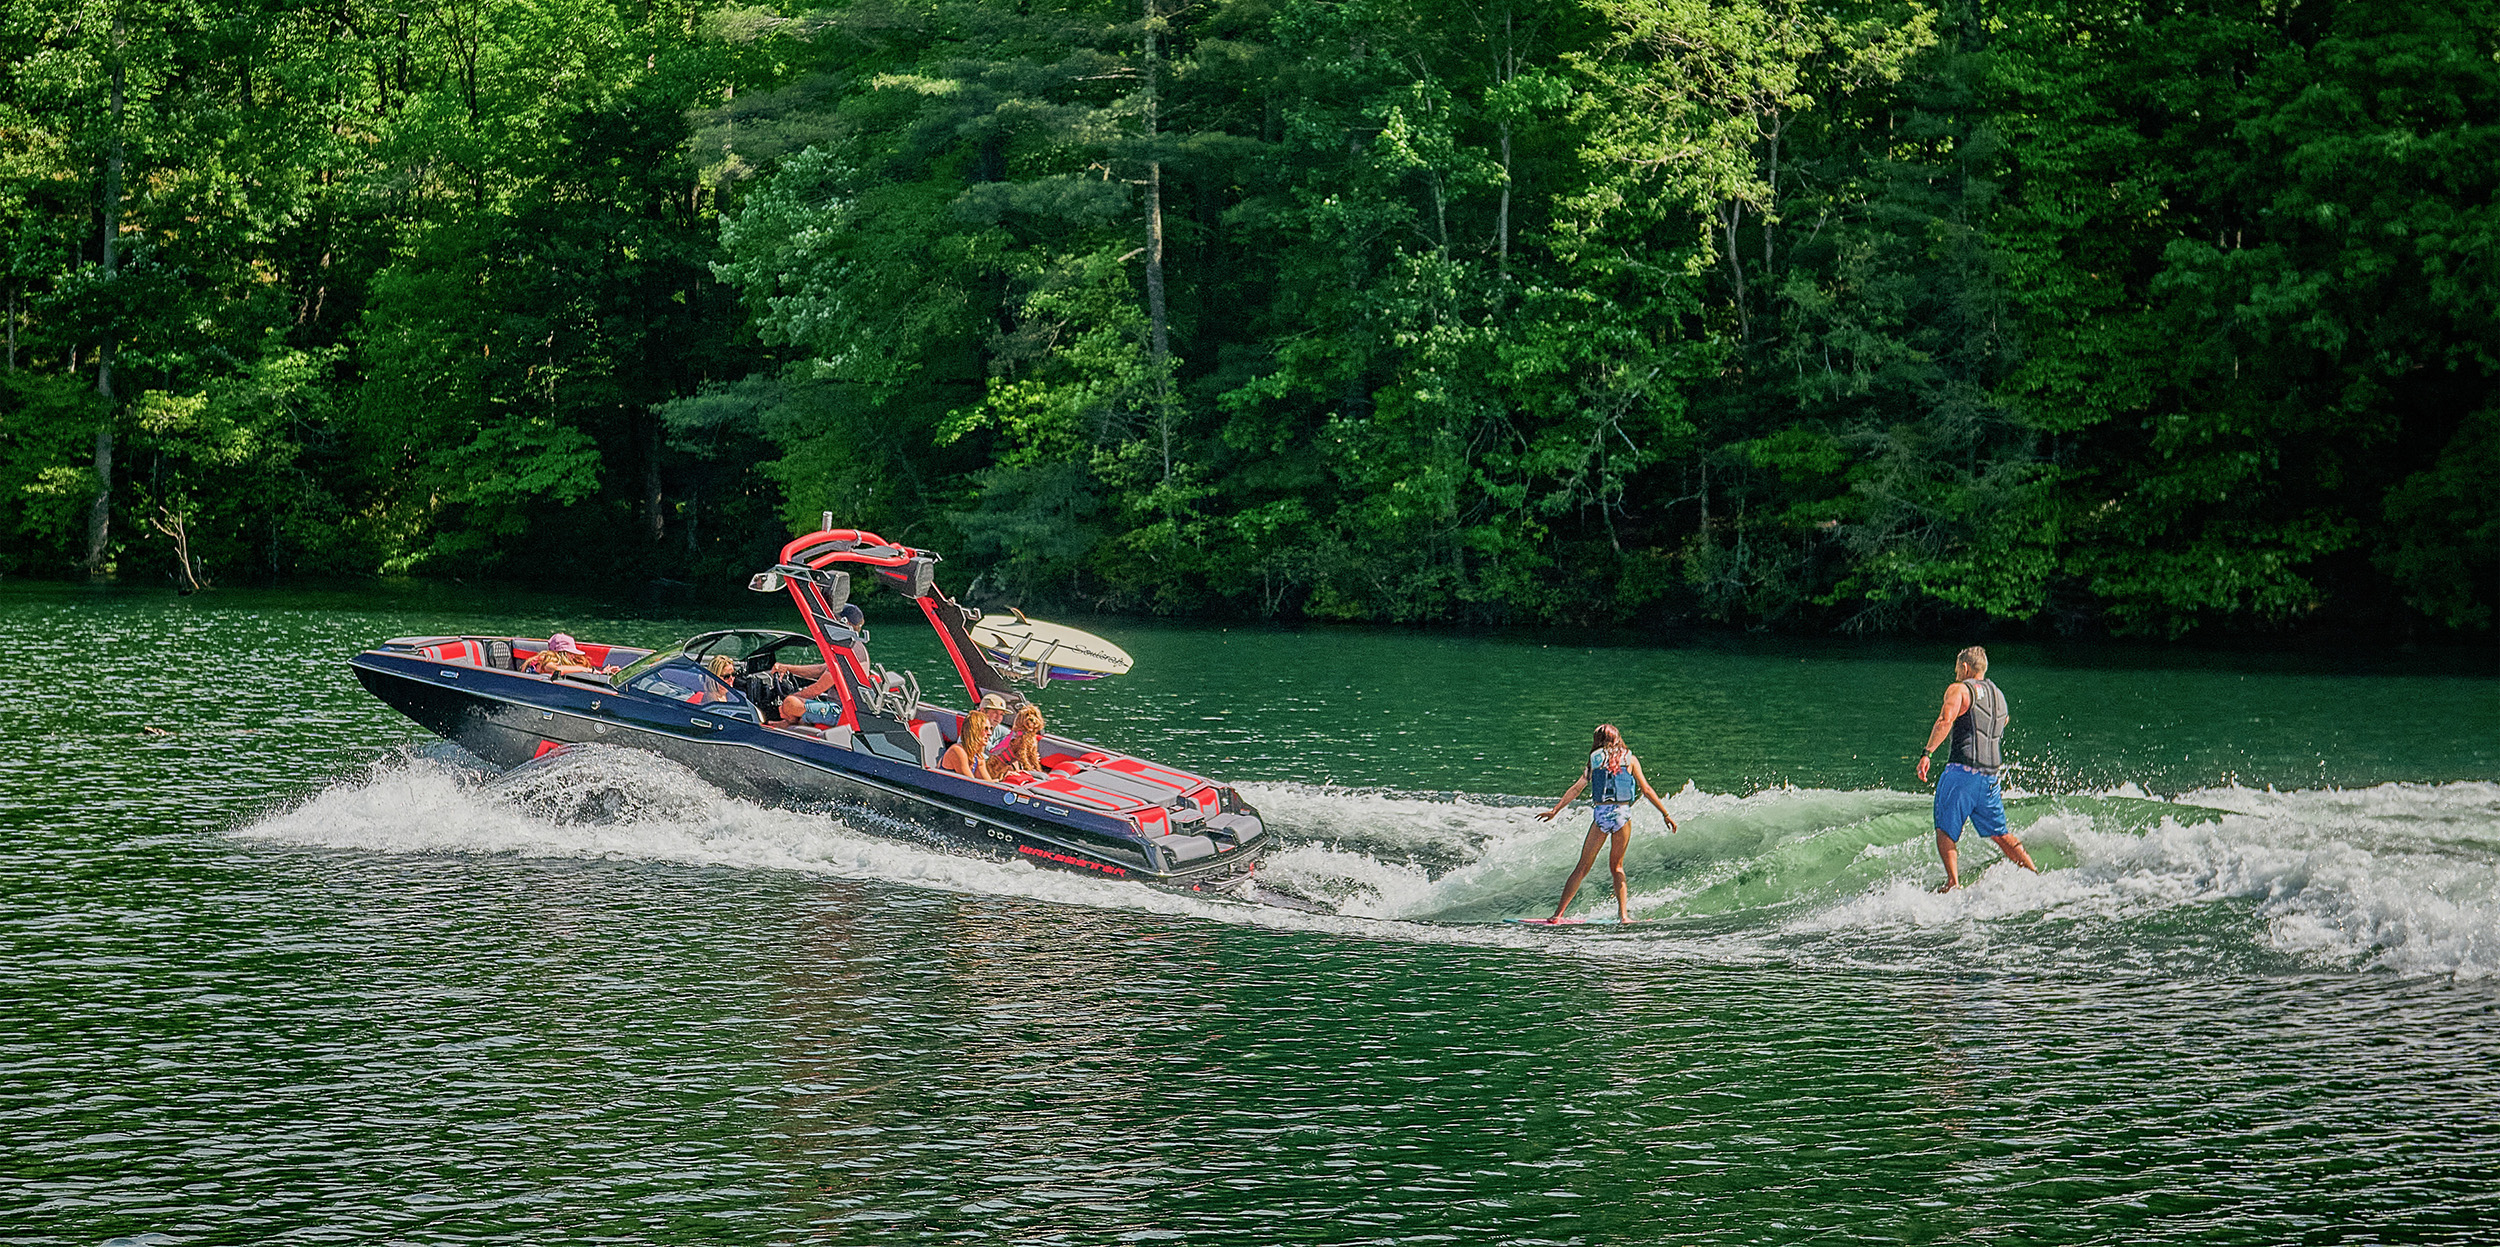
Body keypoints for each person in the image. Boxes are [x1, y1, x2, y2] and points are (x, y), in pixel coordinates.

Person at [1916, 645, 2039, 892]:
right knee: (2000, 834)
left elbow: (1945, 720)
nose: (1955, 674)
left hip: (1962, 772)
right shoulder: (2000, 696)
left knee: (1945, 830)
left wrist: (1927, 753)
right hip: (1990, 776)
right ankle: (2034, 874)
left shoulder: (1959, 689)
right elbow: (2002, 723)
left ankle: (1953, 883)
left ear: (1965, 667)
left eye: (1956, 669)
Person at [1536, 724, 1679, 923]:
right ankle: (1624, 916)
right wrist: (1665, 813)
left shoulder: (1594, 761)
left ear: (1598, 740)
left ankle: (1557, 915)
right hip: (1622, 814)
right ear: (1618, 738)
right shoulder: (1630, 759)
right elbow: (1646, 789)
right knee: (1617, 868)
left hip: (1601, 814)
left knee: (1582, 867)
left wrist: (1555, 810)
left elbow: (1577, 789)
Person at [940, 707, 1000, 779]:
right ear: (974, 731)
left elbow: (988, 784)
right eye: (985, 729)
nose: (990, 733)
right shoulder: (957, 751)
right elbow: (971, 784)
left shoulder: (978, 757)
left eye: (991, 729)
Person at [993, 704, 1048, 780]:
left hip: (1011, 763)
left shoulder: (1031, 736)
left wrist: (1038, 769)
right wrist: (1030, 770)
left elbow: (1032, 755)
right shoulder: (1019, 737)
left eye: (1034, 715)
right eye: (1027, 715)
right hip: (999, 765)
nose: (1031, 718)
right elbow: (1022, 756)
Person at [524, 633, 615, 677]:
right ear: (562, 653)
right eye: (571, 653)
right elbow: (556, 669)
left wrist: (602, 673)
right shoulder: (546, 658)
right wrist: (586, 670)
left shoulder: (555, 660)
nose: (573, 656)